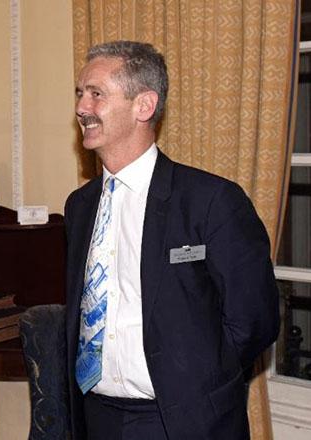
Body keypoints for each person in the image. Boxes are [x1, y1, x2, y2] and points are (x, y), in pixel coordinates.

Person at [65, 40, 279, 440]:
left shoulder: (212, 201)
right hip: (97, 419)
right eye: (80, 93)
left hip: (183, 424)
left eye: (97, 94)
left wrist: (198, 384)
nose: (82, 108)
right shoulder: (80, 206)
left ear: (143, 106)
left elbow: (255, 321)